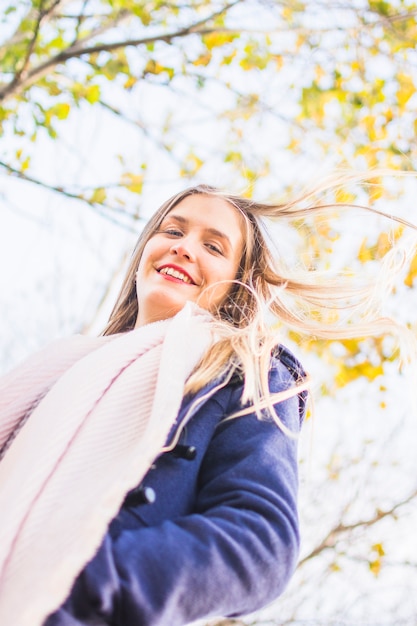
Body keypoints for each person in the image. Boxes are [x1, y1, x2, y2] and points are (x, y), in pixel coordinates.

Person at [0, 181, 414, 626]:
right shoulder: (57, 370)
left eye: (213, 246)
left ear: (236, 286)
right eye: (173, 232)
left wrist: (90, 580)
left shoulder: (243, 372)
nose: (183, 248)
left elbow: (258, 542)